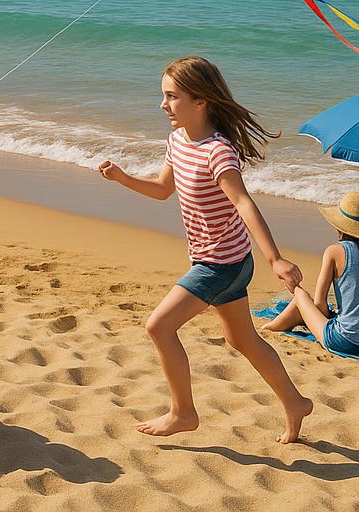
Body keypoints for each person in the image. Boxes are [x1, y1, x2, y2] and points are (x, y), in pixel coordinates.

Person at [97, 55, 312, 443]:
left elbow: (244, 203)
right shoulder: (178, 141)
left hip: (223, 263)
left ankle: (183, 413)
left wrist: (275, 258)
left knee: (159, 326)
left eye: (171, 96)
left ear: (201, 101)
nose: (163, 105)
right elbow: (164, 190)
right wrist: (123, 178)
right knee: (242, 339)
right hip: (217, 258)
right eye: (164, 96)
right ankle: (295, 402)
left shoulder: (219, 152)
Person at [265, 193, 359, 356]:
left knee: (300, 295)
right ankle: (280, 323)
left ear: (341, 225)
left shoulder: (335, 251)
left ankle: (270, 328)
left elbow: (320, 304)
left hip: (346, 342)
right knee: (305, 308)